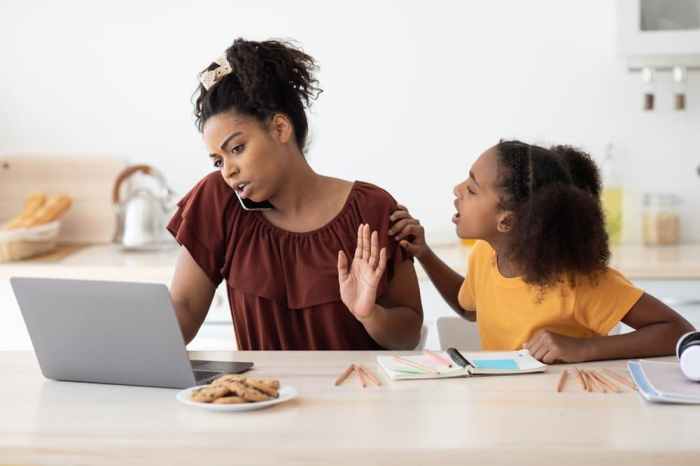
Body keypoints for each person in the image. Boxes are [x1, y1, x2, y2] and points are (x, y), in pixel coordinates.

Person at [168, 38, 422, 350]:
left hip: (357, 397)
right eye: (218, 160)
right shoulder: (218, 200)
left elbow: (408, 336)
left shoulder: (371, 210)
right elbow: (183, 310)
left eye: (237, 148)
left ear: (279, 128)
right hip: (261, 398)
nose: (227, 171)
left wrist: (370, 315)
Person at [389, 140, 694, 363]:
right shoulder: (485, 255)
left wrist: (581, 349)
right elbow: (471, 308)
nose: (457, 190)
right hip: (505, 410)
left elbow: (677, 330)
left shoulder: (578, 282)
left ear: (506, 221)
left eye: (471, 189)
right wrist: (424, 254)